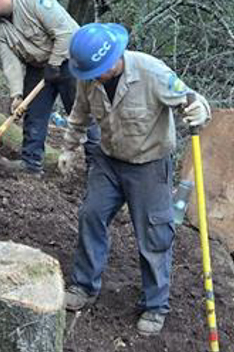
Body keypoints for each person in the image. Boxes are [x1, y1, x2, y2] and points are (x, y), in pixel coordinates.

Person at [58, 23, 211, 335]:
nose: (96, 77)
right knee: (91, 214)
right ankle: (83, 285)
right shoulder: (89, 77)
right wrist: (68, 148)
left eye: (100, 71)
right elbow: (79, 114)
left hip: (149, 165)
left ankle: (155, 306)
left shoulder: (152, 72)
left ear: (115, 57)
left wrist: (200, 110)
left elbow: (191, 99)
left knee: (155, 234)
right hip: (108, 160)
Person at [0, 0, 99, 176]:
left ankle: (97, 168)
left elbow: (66, 33)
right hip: (38, 67)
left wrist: (54, 65)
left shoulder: (36, 1)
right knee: (34, 115)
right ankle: (31, 164)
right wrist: (16, 96)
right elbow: (10, 64)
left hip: (69, 59)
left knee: (82, 113)